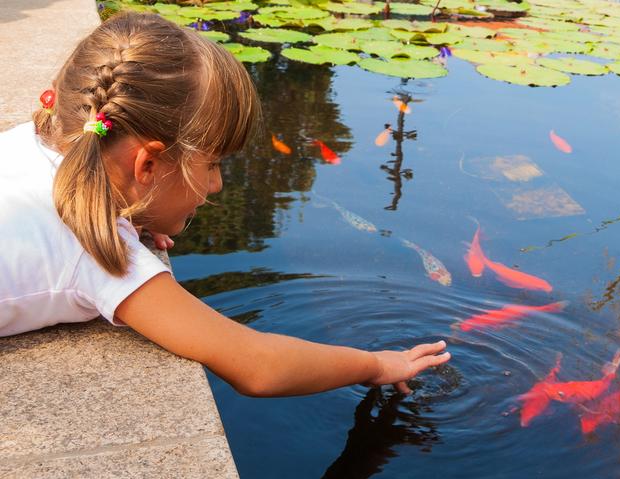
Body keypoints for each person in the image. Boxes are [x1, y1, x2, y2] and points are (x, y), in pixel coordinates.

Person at [0, 12, 450, 396]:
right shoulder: (102, 253)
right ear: (148, 166)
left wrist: (135, 213)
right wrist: (377, 365)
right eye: (213, 164)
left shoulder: (26, 143)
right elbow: (258, 365)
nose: (215, 186)